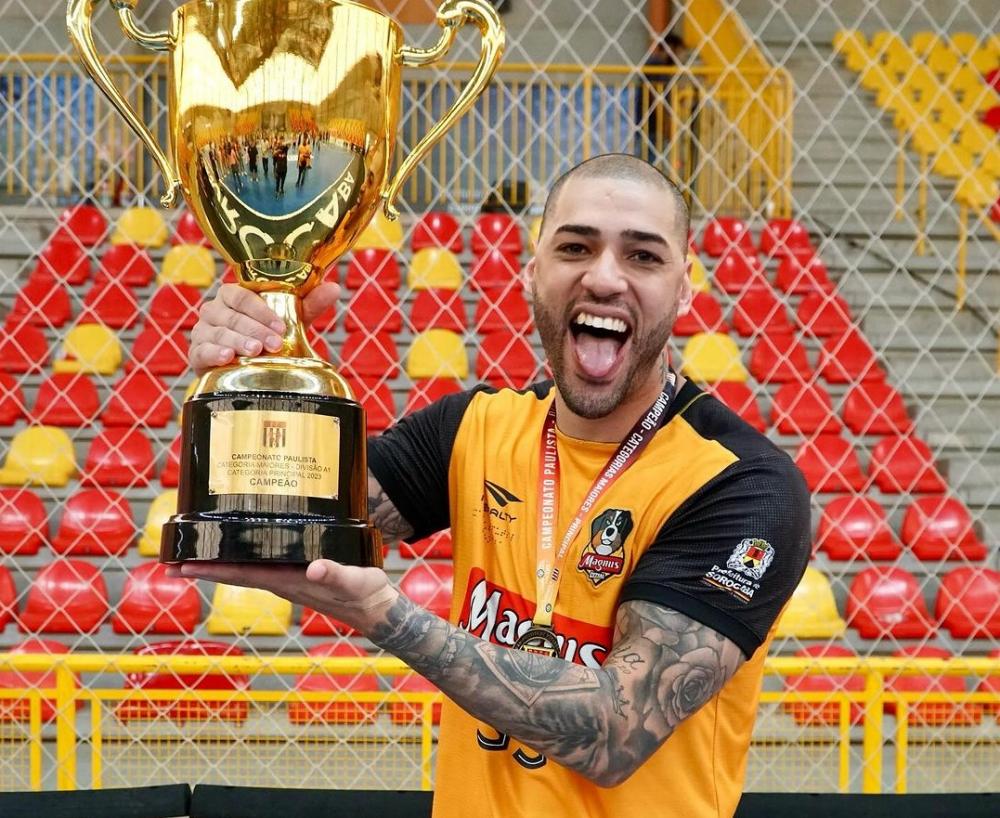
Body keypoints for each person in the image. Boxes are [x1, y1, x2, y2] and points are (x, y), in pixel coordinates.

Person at [182, 154, 811, 818]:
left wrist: (385, 618)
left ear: (684, 289)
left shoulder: (744, 484)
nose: (603, 277)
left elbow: (616, 732)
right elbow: (285, 509)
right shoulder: (476, 428)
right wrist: (255, 376)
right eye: (575, 247)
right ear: (531, 271)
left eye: (643, 257)